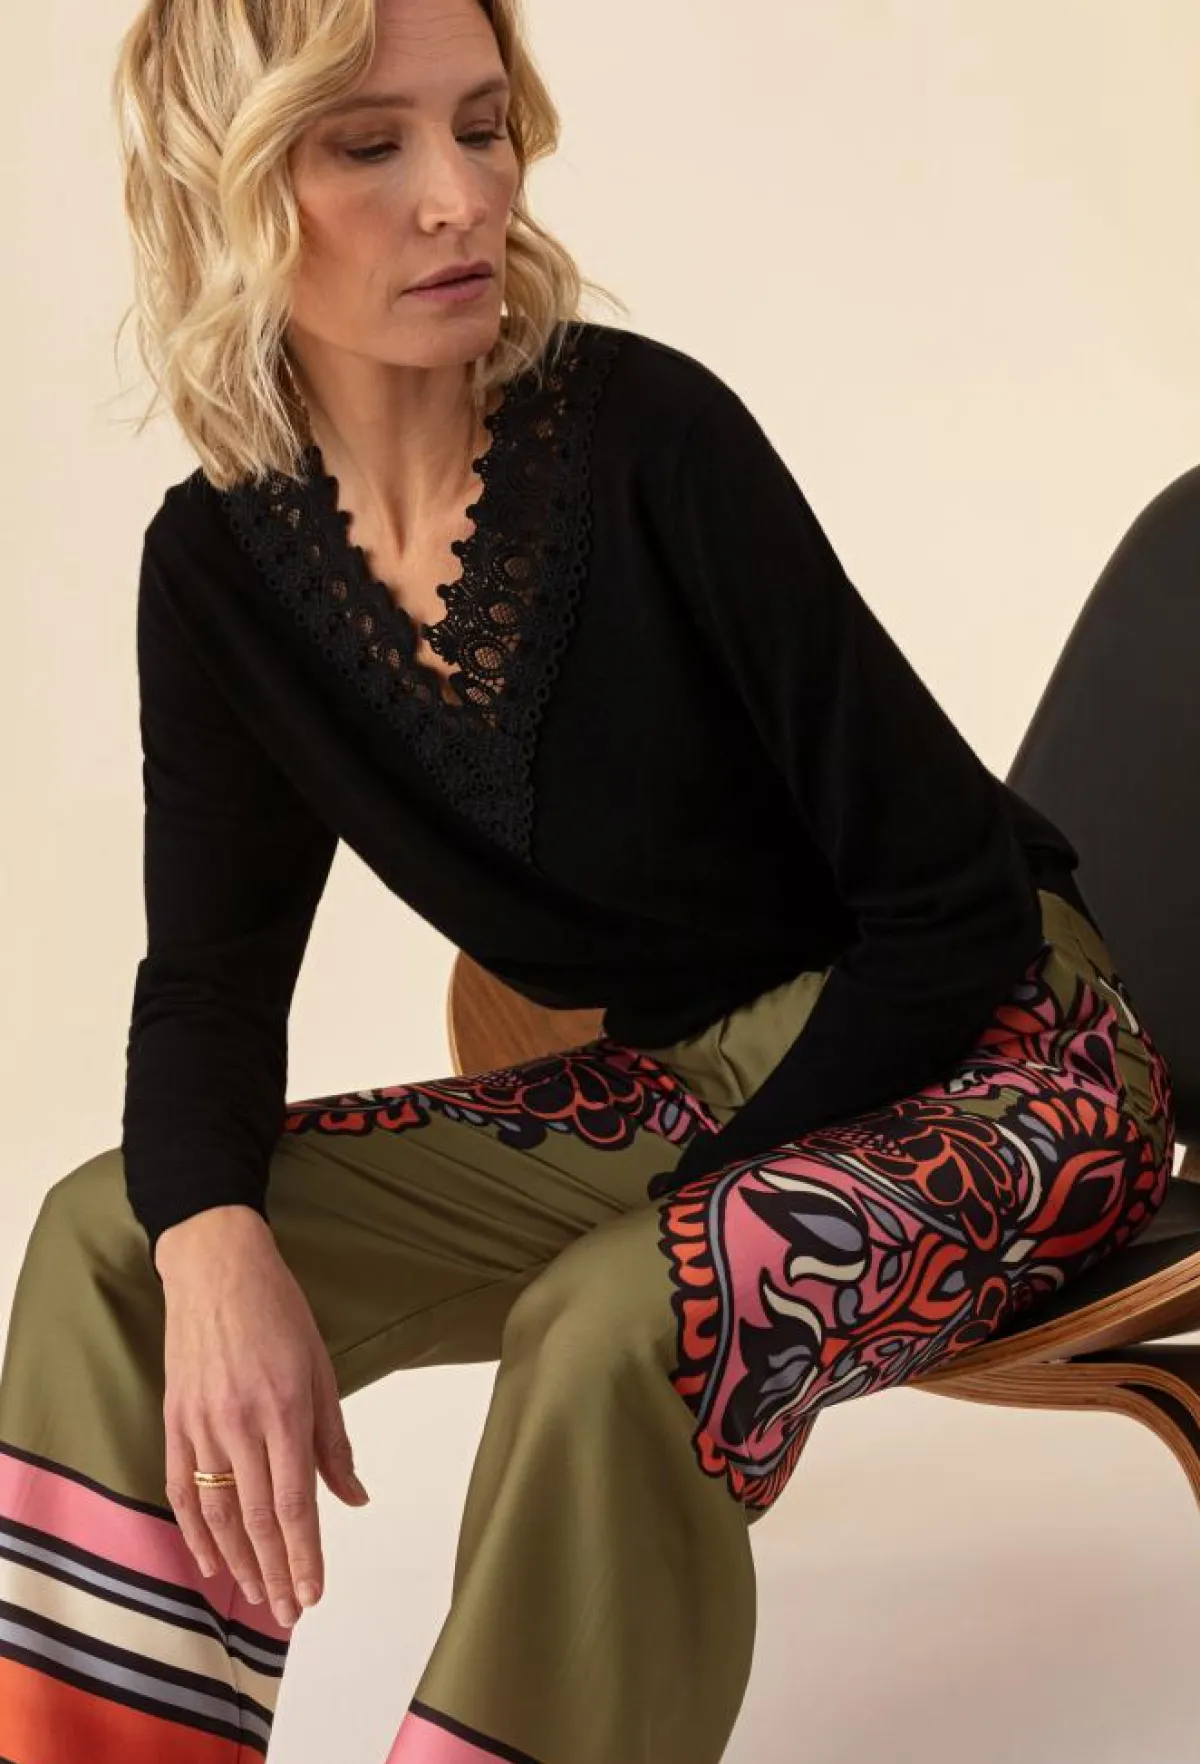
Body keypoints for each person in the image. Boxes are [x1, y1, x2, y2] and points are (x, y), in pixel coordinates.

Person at [0, 0, 1177, 1759]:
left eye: (483, 126)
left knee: (634, 1308)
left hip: (1015, 1061)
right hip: (681, 1086)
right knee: (123, 1237)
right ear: (224, 189)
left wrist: (693, 1202)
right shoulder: (221, 569)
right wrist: (216, 1239)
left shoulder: (647, 440)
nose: (462, 195)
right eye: (371, 143)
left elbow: (953, 908)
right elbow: (211, 981)